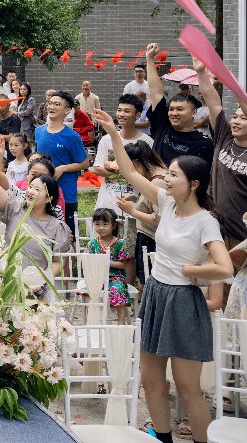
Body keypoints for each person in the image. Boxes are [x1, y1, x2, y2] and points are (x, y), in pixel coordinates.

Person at [93, 107, 232, 443]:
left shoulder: (205, 222)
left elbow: (225, 267)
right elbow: (129, 171)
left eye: (173, 175)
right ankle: (163, 438)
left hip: (183, 300)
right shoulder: (166, 203)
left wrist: (191, 270)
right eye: (167, 173)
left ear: (193, 184)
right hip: (156, 294)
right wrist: (113, 132)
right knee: (151, 380)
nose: (166, 179)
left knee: (187, 389)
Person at [0, 138, 72, 271]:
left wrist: (40, 277)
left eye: (37, 190)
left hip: (36, 280)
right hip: (7, 277)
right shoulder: (14, 207)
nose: (31, 192)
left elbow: (59, 262)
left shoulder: (57, 227)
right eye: (30, 187)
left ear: (49, 198)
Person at [193, 58, 247, 247]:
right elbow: (214, 104)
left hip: (242, 236)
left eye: (243, 118)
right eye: (235, 117)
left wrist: (232, 83)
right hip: (215, 229)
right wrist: (201, 72)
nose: (236, 121)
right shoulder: (225, 137)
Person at [144, 42, 214, 165]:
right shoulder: (163, 126)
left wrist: (202, 72)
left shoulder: (204, 144)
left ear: (193, 112)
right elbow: (156, 93)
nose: (174, 113)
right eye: (171, 109)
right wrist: (150, 58)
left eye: (180, 109)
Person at [112, 141, 169, 285]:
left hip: (152, 240)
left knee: (147, 284)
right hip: (149, 238)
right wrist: (135, 198)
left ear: (134, 165)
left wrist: (131, 211)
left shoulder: (158, 182)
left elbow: (159, 219)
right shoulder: (155, 176)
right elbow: (152, 204)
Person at [34, 90, 89, 229]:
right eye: (50, 103)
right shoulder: (39, 131)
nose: (51, 107)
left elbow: (85, 163)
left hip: (65, 193)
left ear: (67, 110)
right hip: (41, 193)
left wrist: (63, 168)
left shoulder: (72, 136)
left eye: (57, 104)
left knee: (66, 233)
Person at [92, 94, 152, 214]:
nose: (121, 114)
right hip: (107, 202)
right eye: (119, 110)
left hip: (134, 203)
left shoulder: (147, 141)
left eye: (127, 111)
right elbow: (98, 169)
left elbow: (147, 173)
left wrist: (113, 167)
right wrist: (130, 172)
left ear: (138, 115)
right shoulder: (106, 139)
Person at [84, 207, 133, 324]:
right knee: (87, 290)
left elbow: (123, 265)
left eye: (105, 224)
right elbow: (86, 260)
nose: (101, 228)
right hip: (97, 276)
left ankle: (121, 324)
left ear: (114, 225)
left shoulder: (120, 243)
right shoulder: (93, 243)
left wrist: (107, 262)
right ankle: (93, 321)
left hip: (116, 277)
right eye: (97, 224)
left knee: (118, 290)